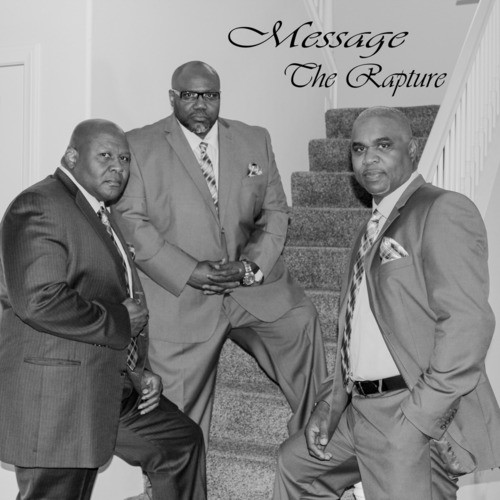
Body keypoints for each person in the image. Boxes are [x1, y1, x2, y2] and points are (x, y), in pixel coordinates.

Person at [273, 107, 500, 499]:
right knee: (296, 467)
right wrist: (329, 404)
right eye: (359, 149)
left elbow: (467, 326)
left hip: (405, 409)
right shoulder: (368, 228)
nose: (369, 159)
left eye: (383, 146)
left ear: (411, 150)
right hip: (357, 408)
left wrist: (420, 417)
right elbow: (354, 332)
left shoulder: (441, 209)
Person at [113, 60, 327, 445]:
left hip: (249, 288)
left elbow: (275, 212)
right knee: (177, 426)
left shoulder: (254, 139)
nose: (201, 105)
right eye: (190, 95)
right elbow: (131, 222)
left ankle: (317, 444)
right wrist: (190, 271)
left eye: (210, 95)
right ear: (172, 97)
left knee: (301, 320)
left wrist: (251, 266)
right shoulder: (138, 145)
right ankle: (181, 476)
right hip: (180, 295)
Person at [0, 119, 206, 500]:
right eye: (106, 155)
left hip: (111, 384)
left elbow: (110, 290)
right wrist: (121, 319)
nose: (118, 167)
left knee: (180, 443)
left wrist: (140, 371)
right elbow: (39, 300)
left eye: (124, 159)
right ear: (71, 157)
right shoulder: (39, 205)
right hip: (60, 396)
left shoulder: (99, 213)